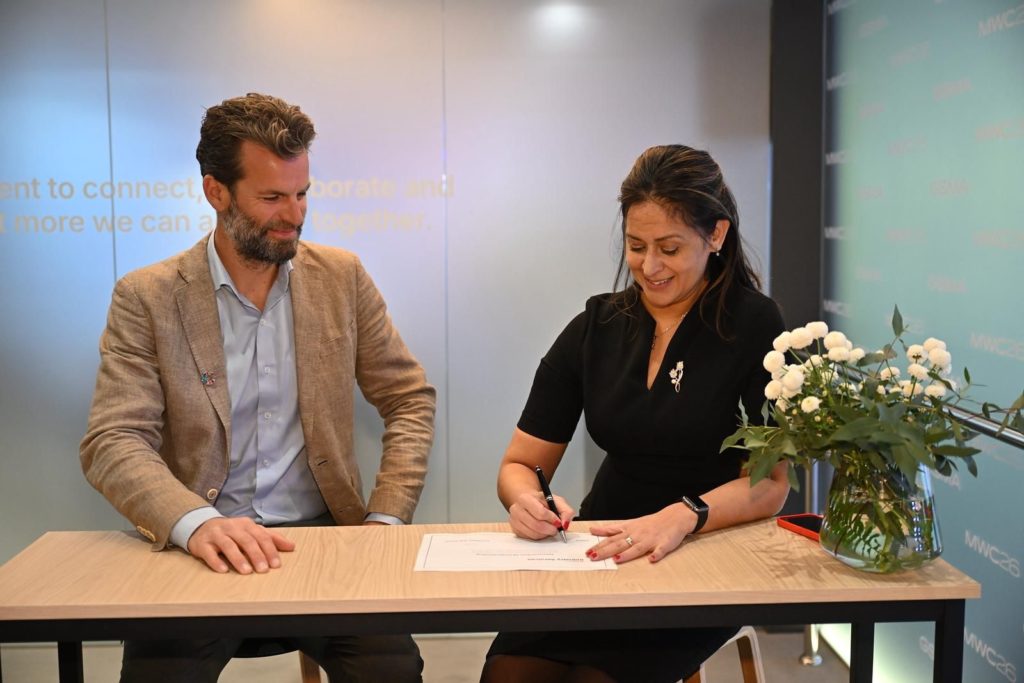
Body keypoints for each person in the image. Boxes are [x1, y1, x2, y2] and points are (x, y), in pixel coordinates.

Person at [80, 93, 435, 682]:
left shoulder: (341, 278)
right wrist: (194, 524)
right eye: (271, 198)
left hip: (328, 541)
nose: (293, 215)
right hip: (203, 542)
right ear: (216, 191)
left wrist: (386, 521)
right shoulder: (147, 296)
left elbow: (408, 399)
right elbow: (113, 440)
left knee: (393, 673)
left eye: (301, 194)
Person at [480, 145, 790, 683]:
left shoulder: (755, 326)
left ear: (715, 235)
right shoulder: (598, 324)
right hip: (603, 545)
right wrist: (526, 500)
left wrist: (685, 515)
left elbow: (770, 485)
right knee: (512, 672)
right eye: (636, 246)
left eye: (669, 248)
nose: (649, 267)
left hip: (706, 542)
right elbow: (520, 463)